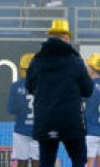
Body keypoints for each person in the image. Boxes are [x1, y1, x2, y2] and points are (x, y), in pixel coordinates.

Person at [26, 19, 92, 167]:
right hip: (71, 121)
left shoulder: (37, 61)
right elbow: (88, 90)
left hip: (46, 119)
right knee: (79, 160)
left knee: (46, 161)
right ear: (67, 38)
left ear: (50, 37)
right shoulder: (75, 61)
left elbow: (29, 86)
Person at [7, 53, 37, 167]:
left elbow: (11, 109)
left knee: (22, 163)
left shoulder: (16, 86)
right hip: (39, 129)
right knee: (37, 163)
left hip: (21, 130)